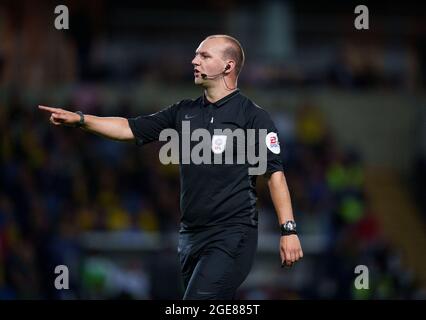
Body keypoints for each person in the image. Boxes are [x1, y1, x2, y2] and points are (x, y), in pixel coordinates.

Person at [38, 34, 303, 300]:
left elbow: (275, 176)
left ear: (228, 66)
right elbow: (128, 128)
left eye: (204, 56)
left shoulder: (253, 117)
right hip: (190, 237)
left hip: (232, 235)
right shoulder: (182, 112)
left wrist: (288, 231)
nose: (194, 60)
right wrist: (81, 119)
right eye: (196, 55)